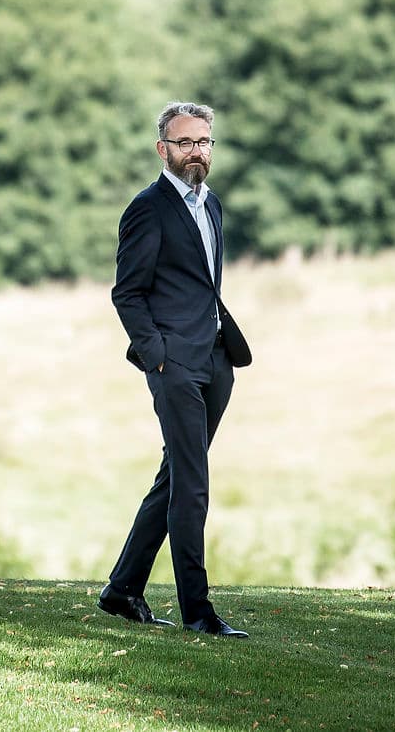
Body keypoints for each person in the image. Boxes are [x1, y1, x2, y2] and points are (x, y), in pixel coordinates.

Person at [99, 101, 254, 637]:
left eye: (204, 142)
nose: (197, 152)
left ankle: (122, 590)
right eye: (186, 143)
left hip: (216, 359)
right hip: (174, 364)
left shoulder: (211, 205)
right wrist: (157, 354)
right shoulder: (148, 208)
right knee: (192, 483)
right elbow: (127, 292)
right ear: (162, 149)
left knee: (175, 479)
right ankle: (198, 612)